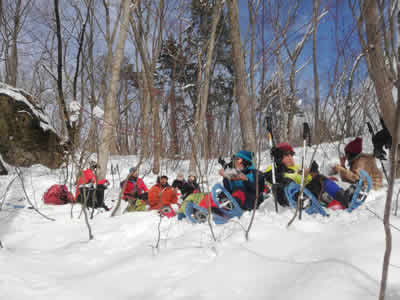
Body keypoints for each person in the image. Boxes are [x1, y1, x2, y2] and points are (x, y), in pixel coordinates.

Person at [265, 142, 355, 210]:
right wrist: (280, 169)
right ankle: (303, 201)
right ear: (279, 158)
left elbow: (307, 179)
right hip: (290, 196)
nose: (290, 158)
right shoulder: (273, 169)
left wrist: (313, 172)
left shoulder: (297, 167)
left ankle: (344, 197)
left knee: (321, 179)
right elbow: (269, 177)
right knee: (286, 183)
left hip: (306, 191)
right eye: (286, 155)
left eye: (291, 155)